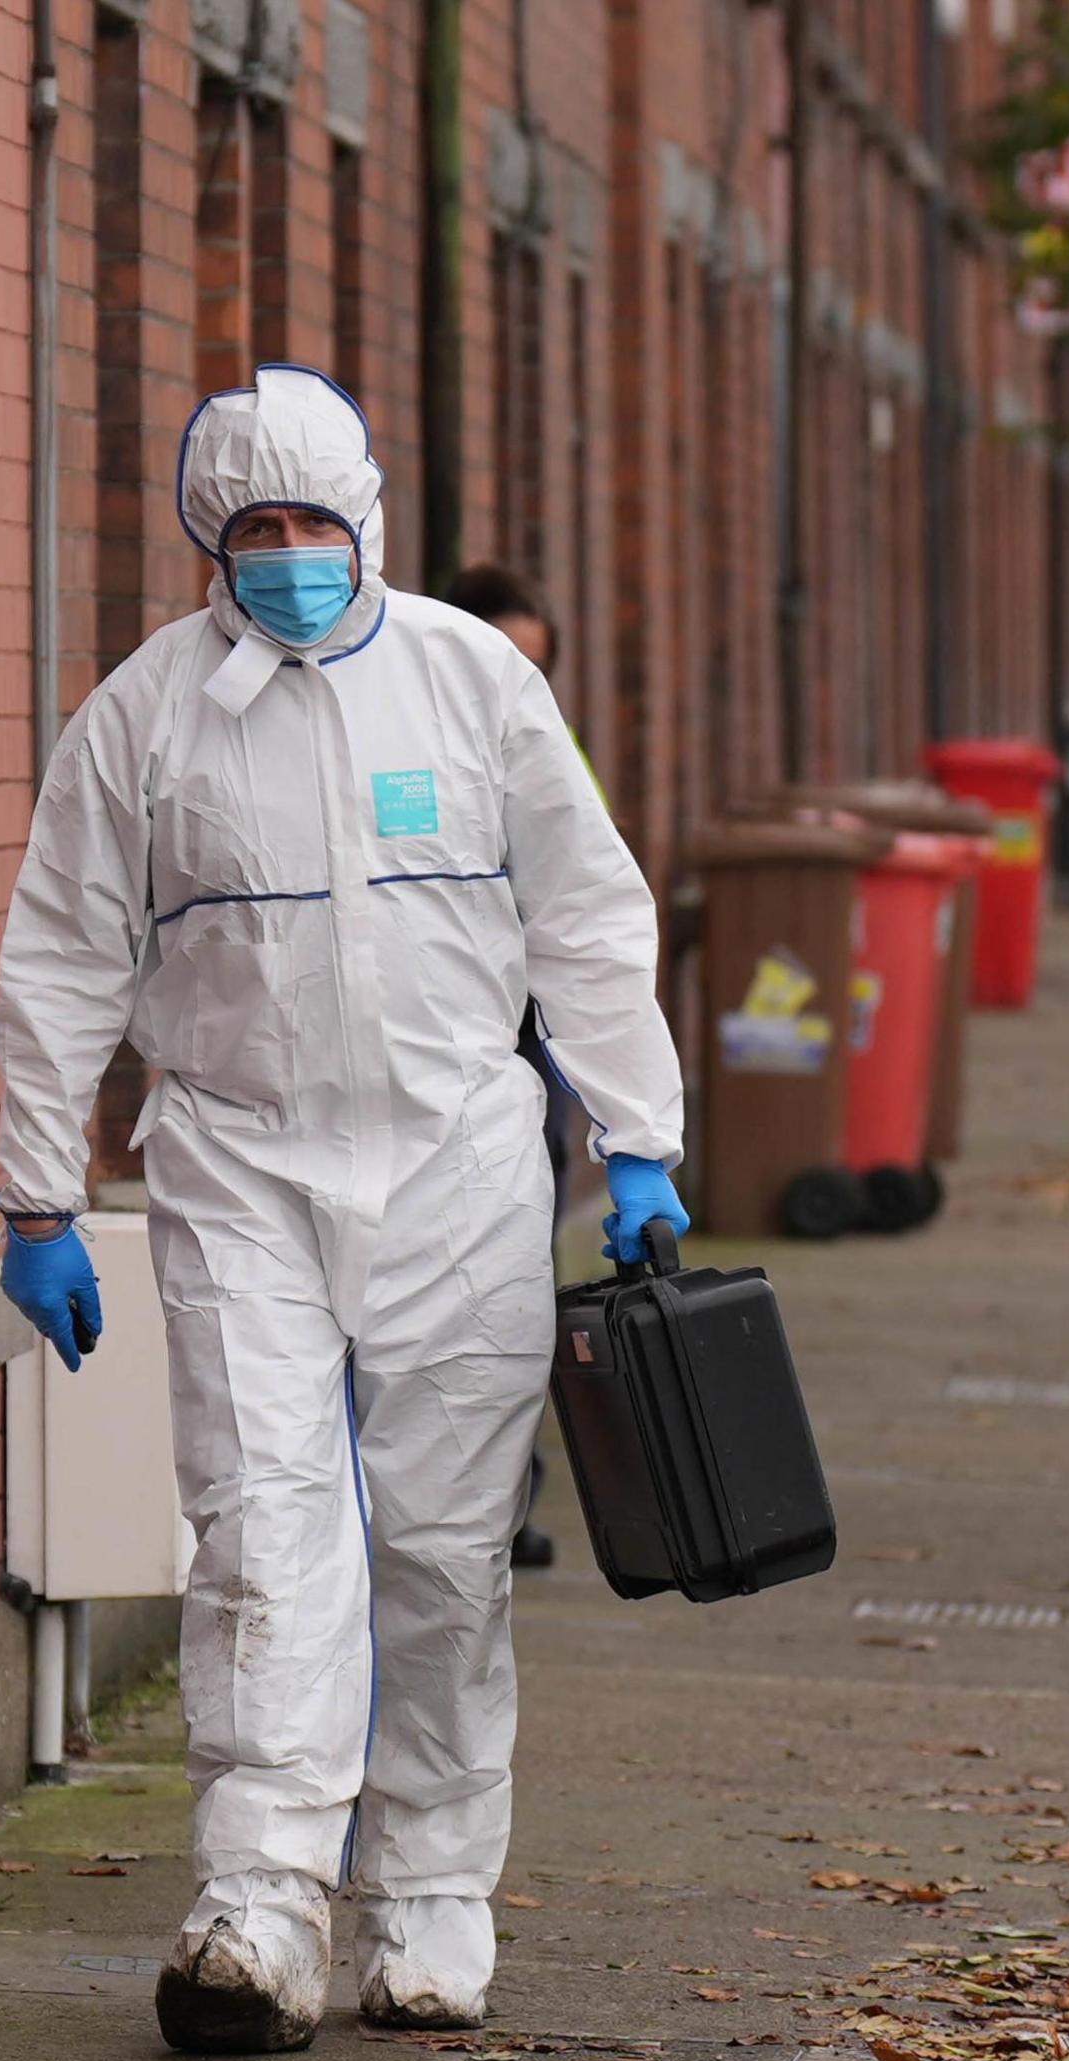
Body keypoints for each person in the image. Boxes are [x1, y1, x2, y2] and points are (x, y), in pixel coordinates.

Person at [0, 366, 690, 2054]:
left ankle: (432, 1896)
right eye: (257, 531)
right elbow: (66, 954)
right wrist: (35, 1194)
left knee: (446, 1548)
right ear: (204, 545)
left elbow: (586, 908)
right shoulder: (146, 718)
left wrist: (640, 1129)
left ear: (366, 524)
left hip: (458, 1158)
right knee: (264, 1531)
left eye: (316, 525)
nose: (291, 556)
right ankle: (261, 1897)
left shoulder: (472, 682)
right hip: (239, 1163)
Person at [440, 564, 585, 1575]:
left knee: (513, 1282)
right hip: (432, 1060)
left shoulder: (550, 760)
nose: (515, 679)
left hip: (523, 1060)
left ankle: (508, 1495)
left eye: (533, 664)